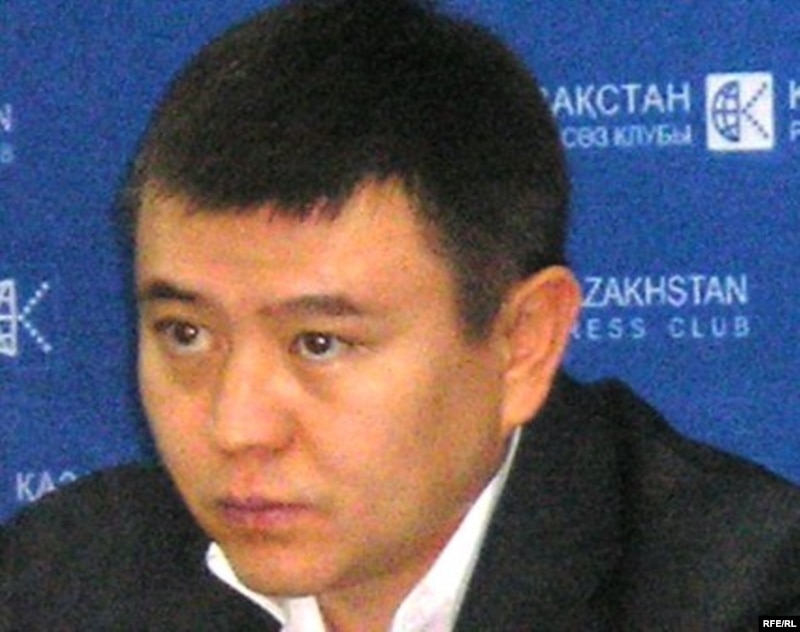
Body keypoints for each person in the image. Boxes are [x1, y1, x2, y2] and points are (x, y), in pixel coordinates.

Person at [2, 0, 798, 629]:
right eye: (187, 335)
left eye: (318, 343)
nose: (237, 426)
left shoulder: (748, 593)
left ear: (524, 343)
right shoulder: (59, 586)